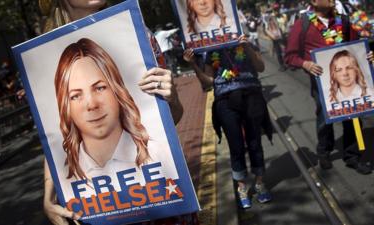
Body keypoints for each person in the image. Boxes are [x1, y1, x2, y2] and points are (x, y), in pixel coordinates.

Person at [38, 1, 195, 224]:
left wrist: (173, 98)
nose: (91, 104)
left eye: (101, 87)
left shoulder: (136, 33)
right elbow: (53, 134)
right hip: (97, 208)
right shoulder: (43, 53)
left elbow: (173, 118)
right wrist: (48, 197)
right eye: (76, 95)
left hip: (161, 204)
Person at [183, 34, 272, 209]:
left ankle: (260, 182)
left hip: (251, 95)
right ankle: (242, 187)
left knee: (255, 142)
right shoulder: (210, 50)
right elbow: (209, 82)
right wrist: (193, 64)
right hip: (225, 101)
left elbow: (260, 67)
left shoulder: (245, 41)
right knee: (236, 144)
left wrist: (247, 47)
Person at [284, 0, 373, 174]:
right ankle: (324, 152)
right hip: (321, 82)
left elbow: (357, 46)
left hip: (348, 79)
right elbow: (290, 57)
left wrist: (367, 55)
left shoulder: (343, 20)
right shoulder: (302, 24)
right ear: (314, 2)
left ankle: (353, 156)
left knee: (353, 116)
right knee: (324, 118)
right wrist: (306, 64)